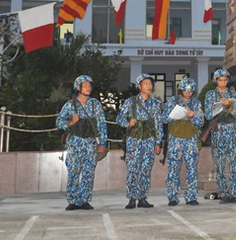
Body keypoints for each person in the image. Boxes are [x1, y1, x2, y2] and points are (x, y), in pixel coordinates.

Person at [56, 75, 108, 211]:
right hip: (74, 143)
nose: (88, 88)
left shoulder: (95, 104)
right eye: (85, 85)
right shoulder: (70, 105)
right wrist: (71, 122)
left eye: (89, 85)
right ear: (78, 88)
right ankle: (73, 200)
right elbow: (59, 122)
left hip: (90, 143)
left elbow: (102, 124)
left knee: (88, 173)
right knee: (73, 171)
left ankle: (85, 200)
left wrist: (103, 143)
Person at [117, 73, 163, 209]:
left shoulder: (155, 104)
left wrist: (158, 143)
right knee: (132, 170)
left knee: (146, 170)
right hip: (134, 141)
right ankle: (132, 198)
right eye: (145, 83)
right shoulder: (130, 102)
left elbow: (158, 125)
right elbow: (119, 119)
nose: (149, 86)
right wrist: (128, 123)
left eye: (150, 84)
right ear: (139, 86)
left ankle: (142, 198)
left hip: (149, 141)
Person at [204, 68, 236, 203]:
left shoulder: (233, 93)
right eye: (220, 80)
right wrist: (219, 107)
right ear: (216, 81)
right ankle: (223, 193)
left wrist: (229, 107)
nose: (222, 82)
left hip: (232, 131)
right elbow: (208, 114)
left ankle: (235, 194)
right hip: (218, 131)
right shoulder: (210, 95)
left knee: (234, 164)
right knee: (220, 165)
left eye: (225, 80)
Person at [162, 77, 204, 205]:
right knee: (173, 168)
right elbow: (164, 118)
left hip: (191, 139)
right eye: (185, 90)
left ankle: (191, 196)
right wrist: (176, 116)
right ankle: (173, 197)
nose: (188, 93)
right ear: (181, 90)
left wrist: (192, 117)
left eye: (190, 91)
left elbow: (201, 122)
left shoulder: (196, 104)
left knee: (192, 168)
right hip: (175, 139)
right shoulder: (172, 101)